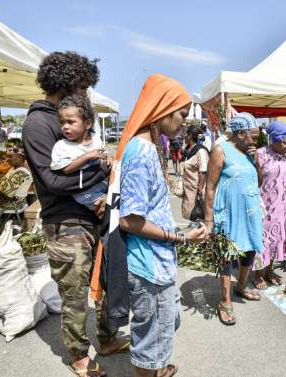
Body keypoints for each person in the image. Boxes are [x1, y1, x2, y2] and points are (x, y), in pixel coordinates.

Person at [22, 51, 126, 377]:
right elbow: (52, 182)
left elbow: (95, 162)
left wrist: (103, 183)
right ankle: (79, 356)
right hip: (65, 222)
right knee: (75, 292)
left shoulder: (72, 116)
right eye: (83, 86)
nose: (86, 93)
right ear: (67, 83)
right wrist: (99, 172)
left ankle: (107, 338)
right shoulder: (38, 124)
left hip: (93, 214)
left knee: (105, 282)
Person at [118, 74, 207, 377]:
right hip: (148, 267)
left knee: (163, 326)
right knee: (150, 342)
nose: (184, 122)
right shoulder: (141, 152)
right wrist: (179, 238)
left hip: (155, 262)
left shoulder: (148, 147)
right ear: (163, 109)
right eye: (181, 115)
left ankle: (158, 368)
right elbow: (130, 220)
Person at [204, 112, 264, 326]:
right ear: (240, 133)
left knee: (250, 249)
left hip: (249, 210)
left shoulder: (249, 152)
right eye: (253, 136)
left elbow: (259, 181)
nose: (256, 140)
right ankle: (225, 300)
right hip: (228, 212)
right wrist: (209, 219)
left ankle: (240, 287)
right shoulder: (221, 151)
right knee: (227, 254)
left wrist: (256, 160)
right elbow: (210, 186)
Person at [252, 121, 286, 289]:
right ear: (274, 140)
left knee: (277, 239)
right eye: (285, 142)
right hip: (266, 208)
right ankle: (258, 275)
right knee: (263, 240)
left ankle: (269, 271)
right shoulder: (261, 154)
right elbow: (255, 179)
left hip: (283, 207)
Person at [51, 94, 109, 210]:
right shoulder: (62, 146)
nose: (65, 127)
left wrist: (109, 158)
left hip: (104, 184)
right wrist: (87, 156)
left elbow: (103, 155)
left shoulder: (95, 138)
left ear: (87, 124)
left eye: (70, 122)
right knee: (110, 209)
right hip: (86, 194)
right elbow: (66, 169)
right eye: (62, 122)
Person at [0, 150, 32, 217]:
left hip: (12, 203)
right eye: (7, 157)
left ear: (20, 158)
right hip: (4, 198)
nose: (7, 159)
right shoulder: (13, 168)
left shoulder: (21, 173)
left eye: (11, 157)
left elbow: (8, 196)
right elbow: (3, 186)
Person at [181, 125, 209, 219]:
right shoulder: (188, 150)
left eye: (186, 134)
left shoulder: (200, 151)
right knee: (190, 215)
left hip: (197, 191)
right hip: (189, 190)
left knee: (198, 216)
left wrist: (200, 190)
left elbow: (203, 171)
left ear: (190, 136)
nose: (184, 136)